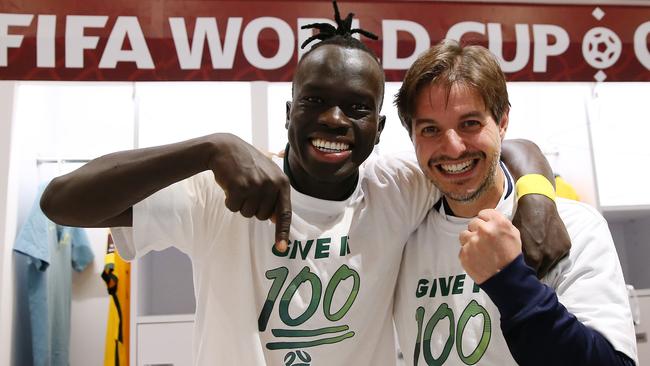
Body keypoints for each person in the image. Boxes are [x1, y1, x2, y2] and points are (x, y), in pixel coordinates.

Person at [40, 3, 569, 365]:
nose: (335, 119)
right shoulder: (217, 191)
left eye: (358, 108)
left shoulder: (398, 188)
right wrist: (207, 147)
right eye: (315, 100)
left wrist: (538, 192)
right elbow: (61, 201)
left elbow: (488, 147)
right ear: (289, 111)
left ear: (380, 129)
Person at [393, 39, 637, 366]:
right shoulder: (401, 231)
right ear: (411, 135)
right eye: (430, 129)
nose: (452, 148)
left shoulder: (574, 227)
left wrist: (510, 281)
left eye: (470, 124)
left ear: (503, 121)